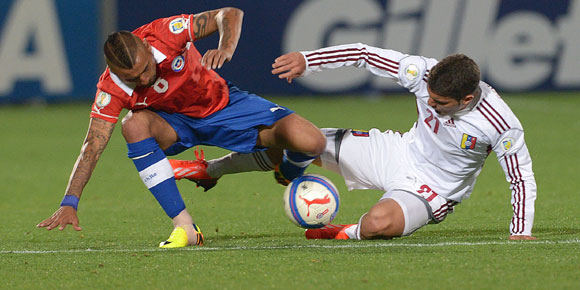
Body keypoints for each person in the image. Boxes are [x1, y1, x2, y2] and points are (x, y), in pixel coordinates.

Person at [171, 43, 537, 241]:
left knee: (379, 224)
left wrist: (520, 232)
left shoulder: (499, 123)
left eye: (440, 104)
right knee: (298, 138)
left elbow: (521, 177)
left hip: (433, 188)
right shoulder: (424, 72)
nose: (432, 104)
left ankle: (342, 231)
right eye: (429, 97)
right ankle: (212, 169)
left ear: (467, 99)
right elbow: (364, 55)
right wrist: (307, 60)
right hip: (397, 151)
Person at [36, 7, 326, 248]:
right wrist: (70, 201)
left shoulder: (165, 32)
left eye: (145, 69)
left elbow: (230, 14)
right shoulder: (110, 88)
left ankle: (228, 169)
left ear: (148, 48)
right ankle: (185, 227)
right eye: (132, 78)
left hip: (224, 105)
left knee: (312, 143)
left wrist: (225, 47)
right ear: (115, 72)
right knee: (133, 124)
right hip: (173, 126)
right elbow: (93, 146)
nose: (144, 80)